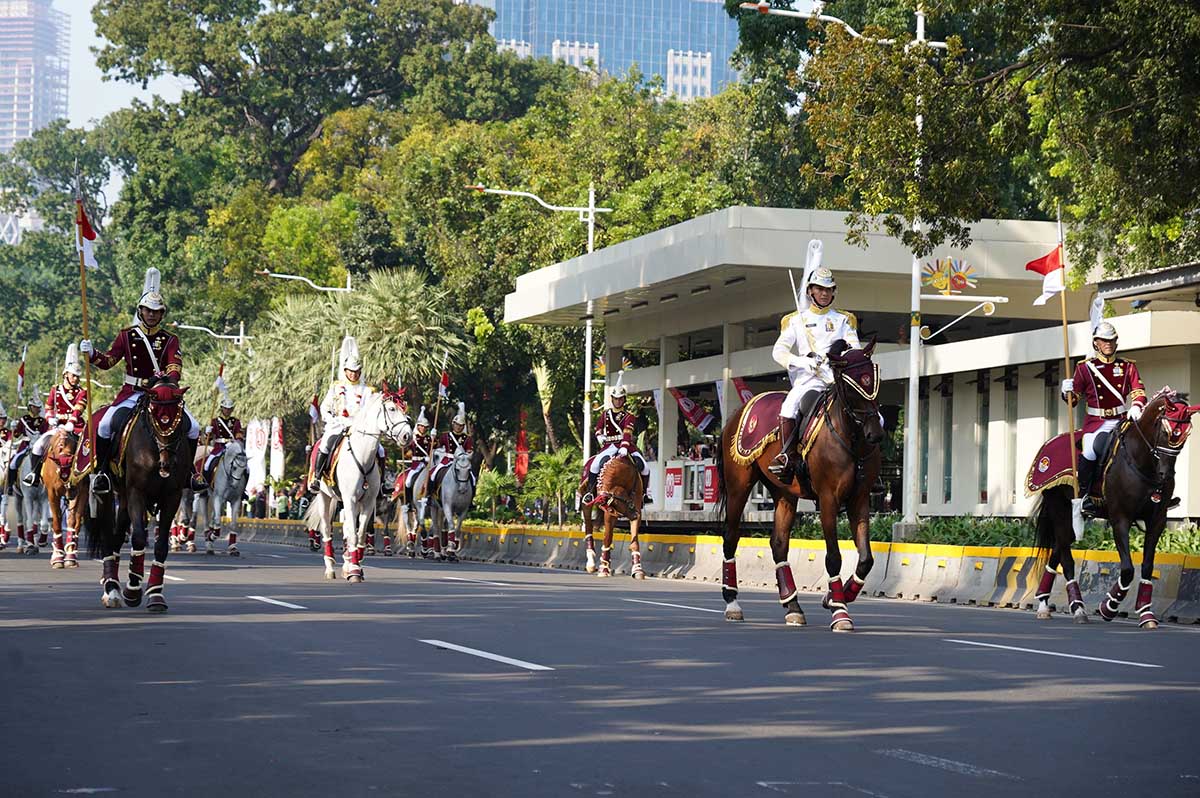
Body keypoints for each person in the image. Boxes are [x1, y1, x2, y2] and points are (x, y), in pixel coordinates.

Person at [80, 267, 203, 495]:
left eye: (156, 312)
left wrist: (166, 383)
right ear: (141, 311)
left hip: (160, 396)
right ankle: (104, 472)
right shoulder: (126, 336)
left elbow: (175, 368)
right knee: (106, 424)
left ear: (162, 314)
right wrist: (92, 354)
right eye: (148, 310)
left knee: (193, 427)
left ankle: (189, 473)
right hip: (132, 393)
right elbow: (109, 361)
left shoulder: (170, 339)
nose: (151, 315)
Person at [770, 266, 860, 480]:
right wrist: (802, 361)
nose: (824, 293)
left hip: (836, 380)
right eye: (819, 289)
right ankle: (787, 457)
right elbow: (778, 352)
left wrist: (840, 353)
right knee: (788, 407)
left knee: (876, 417)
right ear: (810, 291)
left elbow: (855, 350)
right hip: (808, 380)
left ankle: (867, 465)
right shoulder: (795, 320)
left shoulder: (844, 320)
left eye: (828, 289)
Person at [1061, 320, 1147, 524]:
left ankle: (1153, 493)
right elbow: (1074, 401)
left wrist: (1136, 406)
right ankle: (1085, 496)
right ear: (1096, 343)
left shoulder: (1127, 366)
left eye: (1112, 340)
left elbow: (1138, 391)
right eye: (1104, 340)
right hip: (1097, 421)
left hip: (1122, 419)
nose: (1108, 343)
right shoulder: (1085, 368)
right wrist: (1066, 392)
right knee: (1090, 450)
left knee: (1146, 447)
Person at [310, 335, 380, 490]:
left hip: (360, 428)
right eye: (351, 371)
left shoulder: (368, 391)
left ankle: (380, 485)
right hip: (339, 425)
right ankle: (317, 477)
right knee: (326, 444)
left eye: (356, 372)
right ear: (345, 371)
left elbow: (372, 411)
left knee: (380, 450)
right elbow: (325, 408)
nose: (353, 375)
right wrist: (331, 419)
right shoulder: (336, 387)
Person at [25, 345, 88, 488]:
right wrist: (49, 417)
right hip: (58, 426)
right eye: (73, 375)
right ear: (66, 374)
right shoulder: (55, 389)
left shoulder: (82, 392)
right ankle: (34, 474)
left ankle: (94, 475)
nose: (76, 379)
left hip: (76, 427)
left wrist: (71, 422)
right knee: (38, 445)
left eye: (78, 376)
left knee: (89, 448)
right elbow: (48, 407)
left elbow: (79, 408)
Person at [585, 380, 652, 504]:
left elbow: (627, 432)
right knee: (594, 465)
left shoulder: (629, 416)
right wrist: (599, 435)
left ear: (624, 399)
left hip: (626, 446)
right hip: (609, 446)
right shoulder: (605, 414)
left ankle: (643, 495)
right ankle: (590, 493)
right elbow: (598, 428)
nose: (618, 401)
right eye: (616, 399)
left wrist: (624, 446)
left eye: (620, 399)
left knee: (645, 468)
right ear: (612, 399)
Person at [198, 393, 245, 485]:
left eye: (229, 409)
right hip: (219, 448)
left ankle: (243, 490)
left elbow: (239, 434)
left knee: (246, 467)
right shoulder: (215, 421)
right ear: (222, 408)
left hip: (232, 447)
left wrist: (236, 441)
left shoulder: (236, 421)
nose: (227, 410)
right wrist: (208, 432)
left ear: (232, 409)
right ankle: (205, 484)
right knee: (207, 465)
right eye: (225, 408)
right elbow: (209, 438)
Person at [7, 395, 48, 494]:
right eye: (35, 407)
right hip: (25, 446)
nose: (37, 409)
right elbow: (17, 435)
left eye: (38, 407)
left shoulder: (43, 421)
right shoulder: (24, 420)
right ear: (30, 407)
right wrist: (14, 428)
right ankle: (11, 485)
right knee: (13, 463)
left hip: (39, 446)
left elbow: (46, 434)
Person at [430, 402, 475, 488]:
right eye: (457, 424)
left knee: (473, 480)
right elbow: (436, 446)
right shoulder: (445, 436)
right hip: (447, 460)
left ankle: (471, 498)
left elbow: (469, 451)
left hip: (460, 462)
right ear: (453, 424)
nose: (458, 427)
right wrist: (433, 437)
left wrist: (467, 456)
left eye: (461, 425)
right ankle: (430, 495)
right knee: (433, 475)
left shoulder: (467, 438)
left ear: (463, 426)